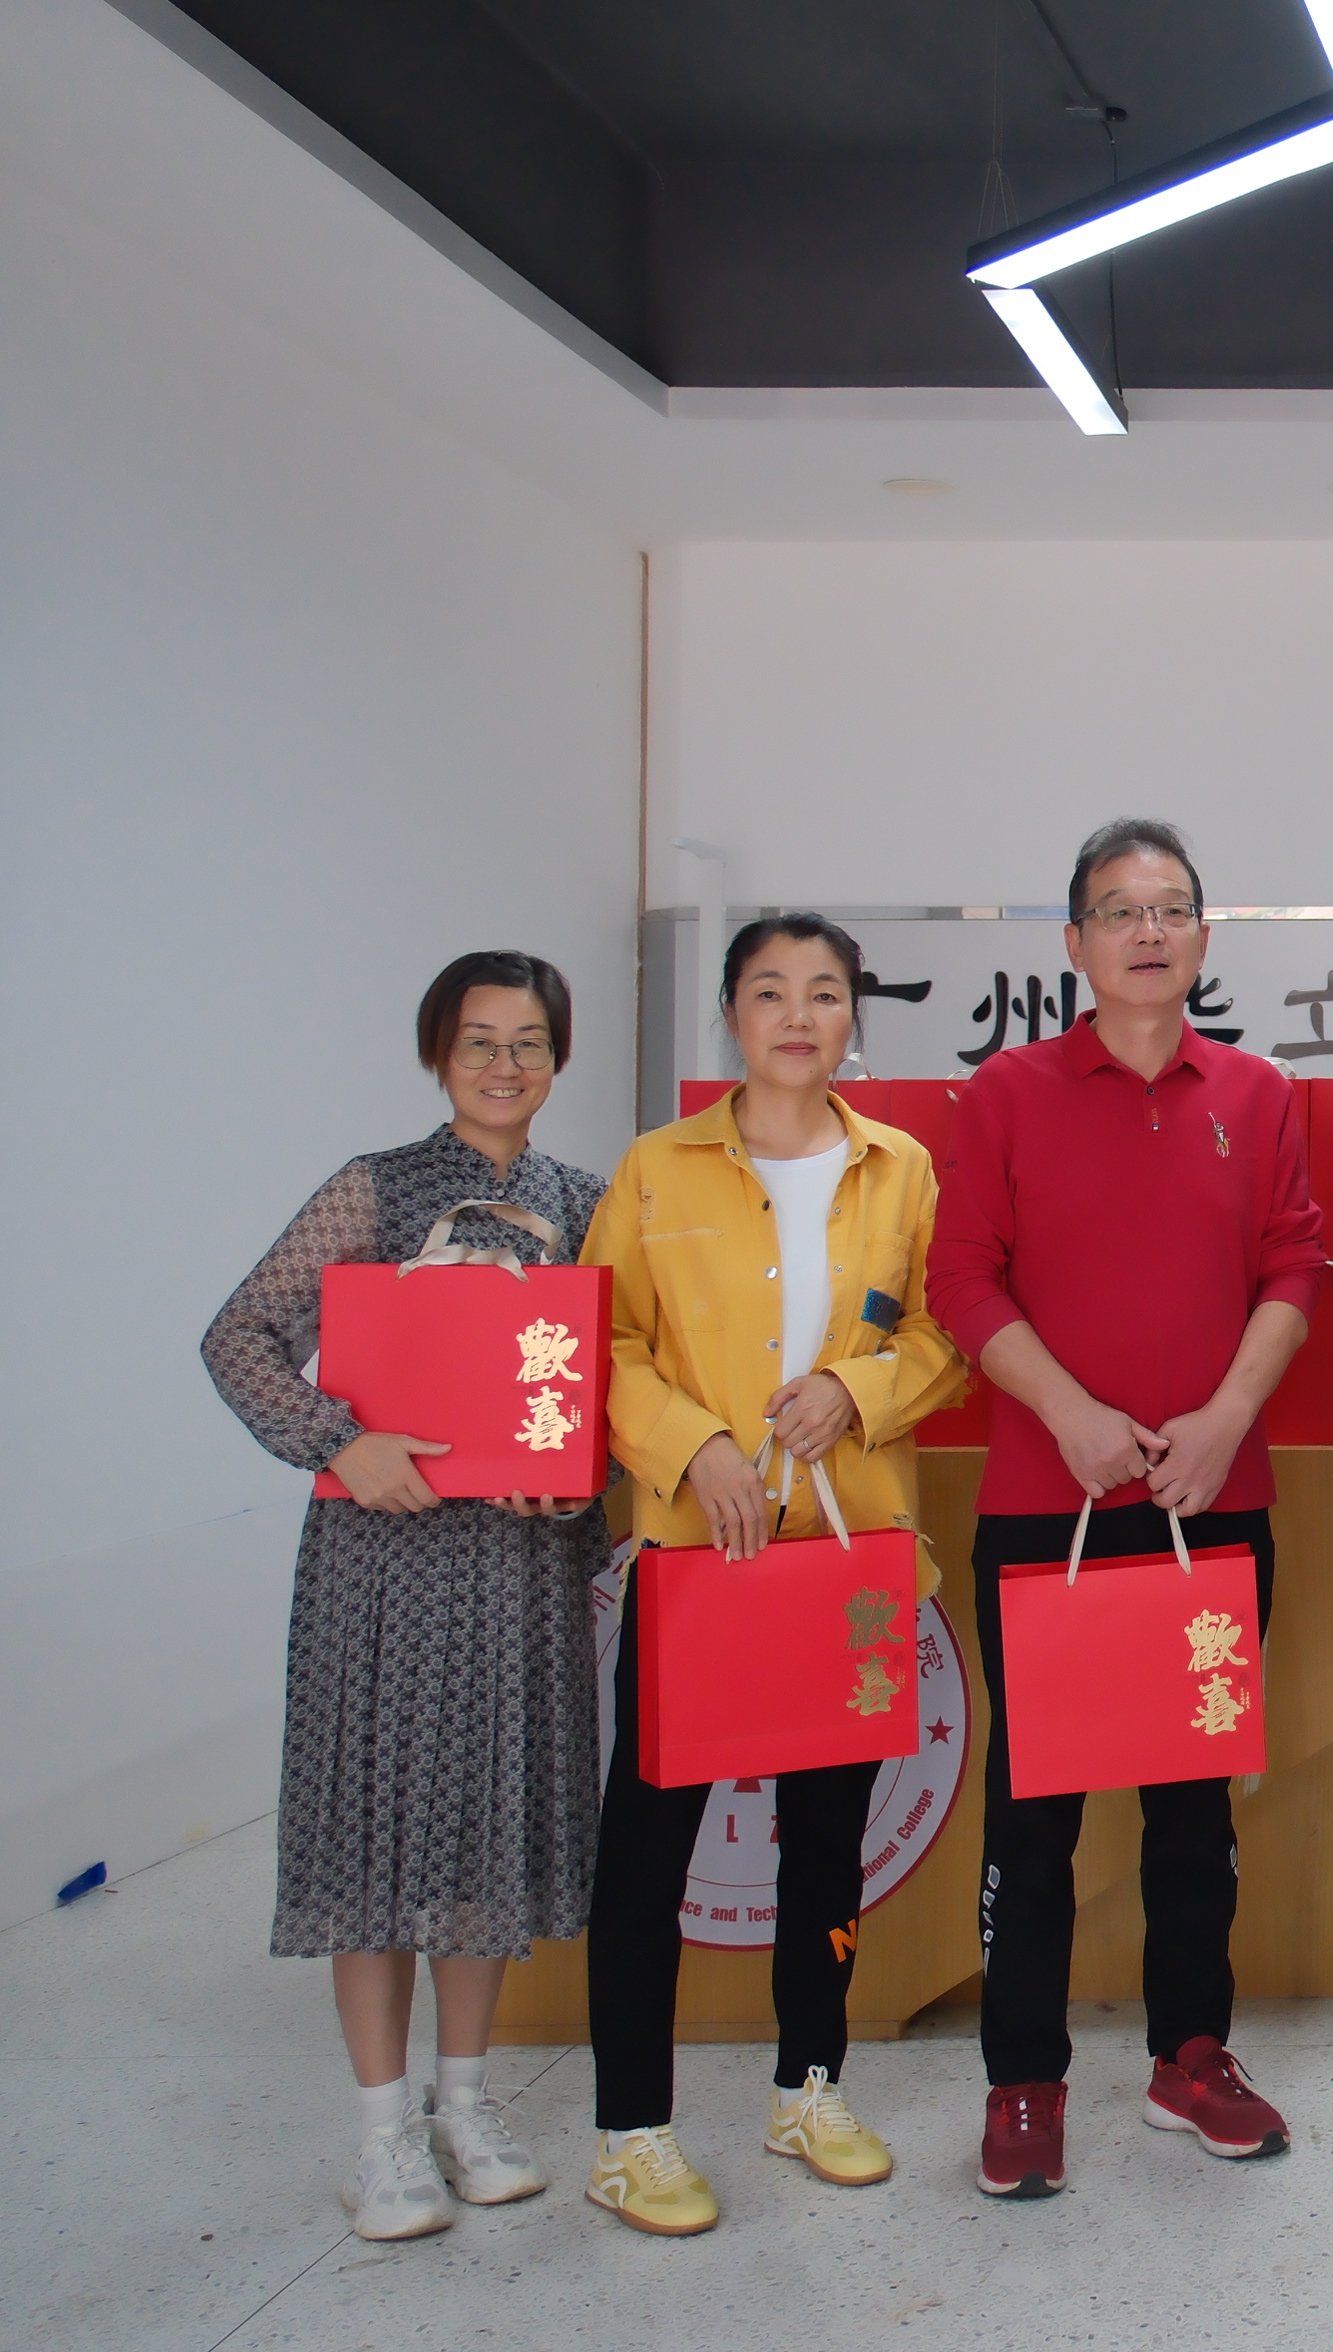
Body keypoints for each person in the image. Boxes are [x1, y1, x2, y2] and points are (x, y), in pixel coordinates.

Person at [929, 818, 1329, 2200]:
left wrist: (1224, 1420)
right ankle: (1023, 2080)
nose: (1147, 932)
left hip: (1212, 1496)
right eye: (1118, 910)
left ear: (1203, 937)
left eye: (1169, 909)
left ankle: (1190, 2055)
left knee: (1192, 1805)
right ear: (1075, 943)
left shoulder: (1257, 1093)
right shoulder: (1007, 1092)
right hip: (1050, 1503)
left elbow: (1294, 1270)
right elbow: (962, 1280)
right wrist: (1070, 1415)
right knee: (1035, 1812)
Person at [201, 951, 608, 2241]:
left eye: (528, 1042)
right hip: (381, 1566)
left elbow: (611, 1387)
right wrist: (339, 1441)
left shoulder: (587, 1203)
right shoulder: (372, 1189)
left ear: (559, 1059)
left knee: (482, 1834)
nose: (503, 1065)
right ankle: (380, 2137)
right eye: (479, 1040)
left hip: (518, 1572)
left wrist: (576, 1488)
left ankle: (464, 2107)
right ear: (439, 1054)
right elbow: (238, 1337)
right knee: (374, 1838)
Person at [577, 915, 969, 2234]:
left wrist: (859, 1391)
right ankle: (630, 2130)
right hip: (701, 1558)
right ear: (733, 1015)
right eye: (769, 992)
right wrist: (691, 1447)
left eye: (823, 993)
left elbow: (945, 1333)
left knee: (826, 1848)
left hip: (846, 1564)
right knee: (649, 1850)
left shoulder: (901, 1169)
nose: (798, 1016)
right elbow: (603, 1342)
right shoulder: (655, 1170)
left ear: (853, 1017)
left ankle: (810, 2086)